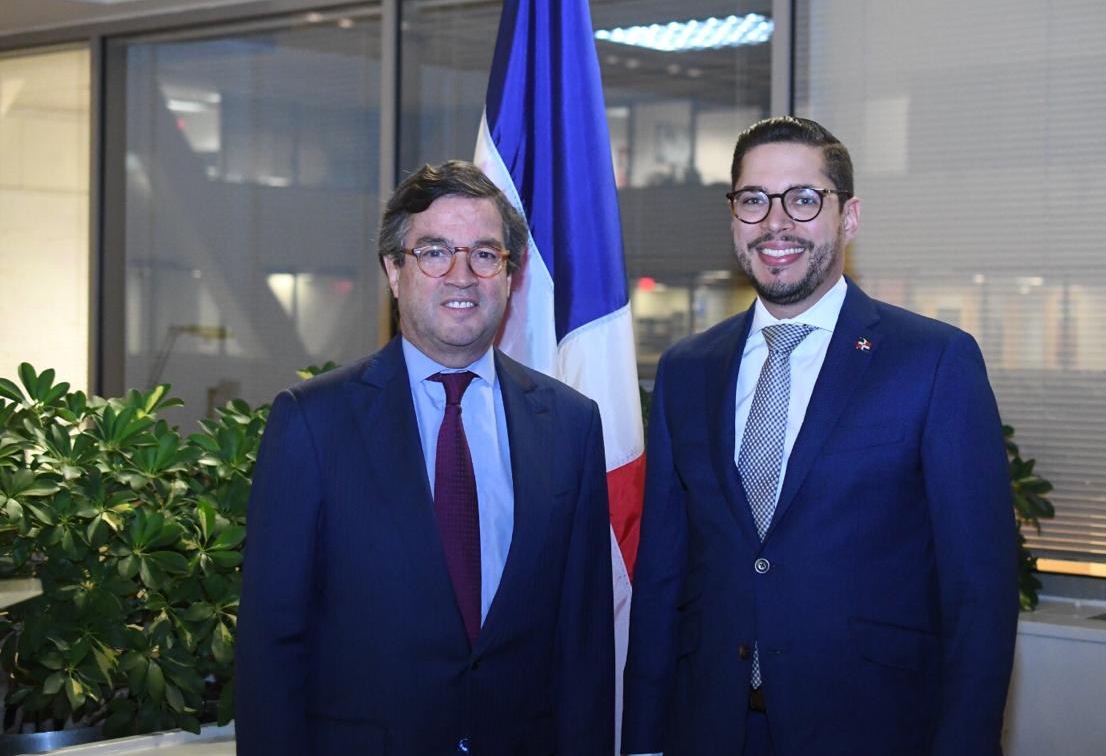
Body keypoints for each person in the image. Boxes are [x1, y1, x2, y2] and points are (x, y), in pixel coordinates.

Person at [621, 117, 1017, 756]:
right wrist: (642, 742)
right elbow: (662, 577)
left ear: (848, 217)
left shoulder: (932, 361)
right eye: (754, 199)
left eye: (804, 199)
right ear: (733, 218)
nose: (775, 222)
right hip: (710, 728)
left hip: (873, 730)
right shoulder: (686, 370)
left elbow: (980, 592)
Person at [236, 161, 614, 756]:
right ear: (394, 269)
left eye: (485, 255)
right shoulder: (312, 422)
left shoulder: (570, 424)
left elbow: (583, 645)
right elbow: (271, 644)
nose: (462, 275)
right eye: (435, 252)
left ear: (510, 275)